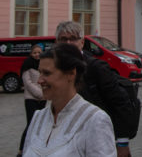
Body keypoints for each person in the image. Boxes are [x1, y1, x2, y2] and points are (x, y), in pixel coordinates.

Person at [55, 21, 134, 157]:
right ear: (57, 42)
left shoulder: (96, 67)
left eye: (73, 39)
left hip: (99, 136)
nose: (68, 43)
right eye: (63, 39)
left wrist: (122, 143)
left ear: (82, 42)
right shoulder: (54, 67)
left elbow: (120, 103)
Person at [23, 43, 116, 156]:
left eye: (46, 73)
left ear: (71, 74)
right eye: (40, 72)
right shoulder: (38, 117)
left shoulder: (95, 120)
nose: (39, 80)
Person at [17, 44, 46, 157]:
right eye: (35, 52)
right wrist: (40, 93)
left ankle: (36, 148)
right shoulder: (27, 64)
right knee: (31, 123)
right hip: (31, 98)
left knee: (40, 124)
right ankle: (21, 150)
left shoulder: (43, 64)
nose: (37, 54)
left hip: (42, 99)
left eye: (39, 52)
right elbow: (27, 83)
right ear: (31, 53)